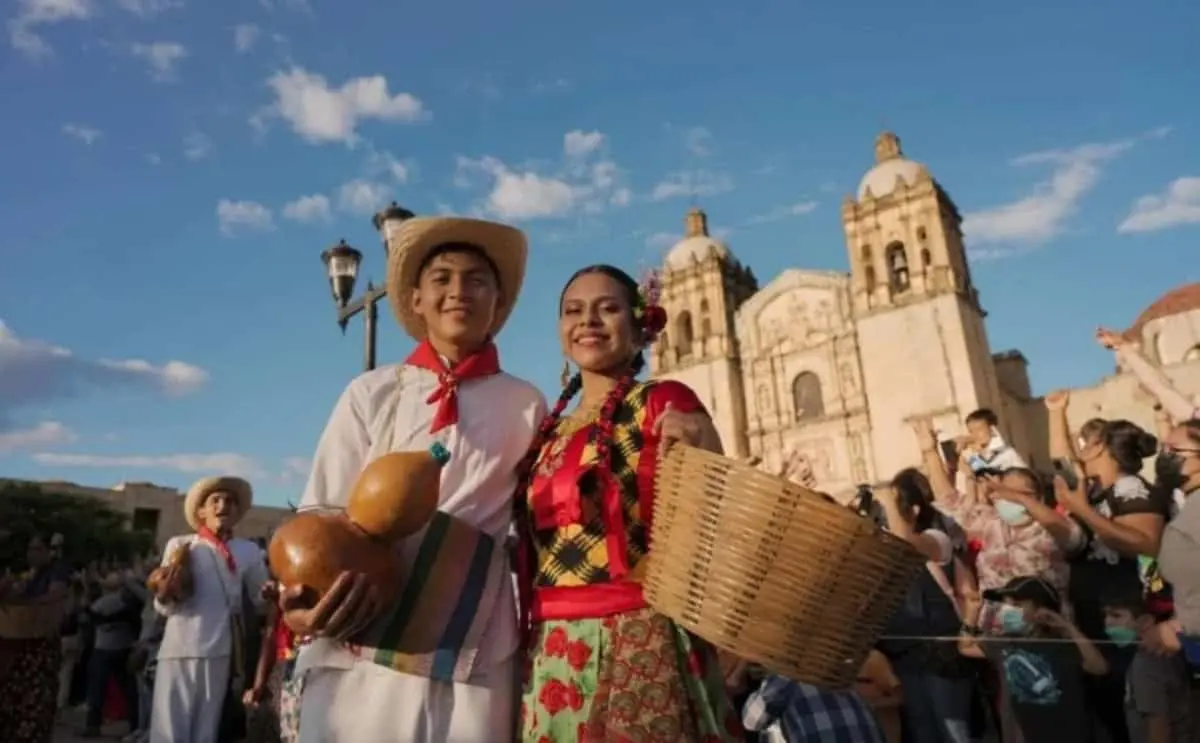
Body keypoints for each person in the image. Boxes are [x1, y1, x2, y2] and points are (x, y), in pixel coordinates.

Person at [287, 216, 547, 742]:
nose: (459, 291)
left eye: (477, 280)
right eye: (442, 278)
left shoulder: (527, 402)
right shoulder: (372, 391)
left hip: (474, 637)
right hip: (364, 626)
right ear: (416, 298)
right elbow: (322, 511)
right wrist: (301, 602)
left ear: (497, 304)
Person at [514, 264, 742, 741]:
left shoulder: (664, 401)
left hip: (639, 636)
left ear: (640, 326)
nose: (589, 321)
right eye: (574, 311)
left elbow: (717, 503)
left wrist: (697, 448)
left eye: (608, 308)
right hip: (551, 647)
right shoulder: (547, 432)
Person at [1055, 418, 1169, 743]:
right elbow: (1062, 460)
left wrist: (1084, 512)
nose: (1078, 450)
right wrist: (1056, 412)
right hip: (1095, 624)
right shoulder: (1092, 491)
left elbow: (1145, 543)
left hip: (1128, 627)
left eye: (1084, 442)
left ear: (1100, 446)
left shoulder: (1132, 489)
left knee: (1142, 716)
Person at [149, 476, 270, 743]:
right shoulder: (181, 545)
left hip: (220, 651)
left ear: (238, 513)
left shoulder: (249, 551)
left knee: (206, 730)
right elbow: (163, 606)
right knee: (169, 729)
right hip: (179, 648)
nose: (223, 505)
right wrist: (164, 595)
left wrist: (275, 592)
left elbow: (262, 599)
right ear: (201, 511)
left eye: (230, 501)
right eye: (215, 500)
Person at [875, 471, 979, 743]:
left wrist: (887, 499)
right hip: (905, 658)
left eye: (893, 509)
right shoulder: (883, 549)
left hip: (940, 657)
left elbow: (907, 545)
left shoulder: (936, 539)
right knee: (923, 733)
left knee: (954, 733)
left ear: (914, 510)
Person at [958, 576, 1106, 743]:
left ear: (1042, 610)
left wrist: (1068, 628)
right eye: (1006, 604)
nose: (1007, 610)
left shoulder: (1063, 645)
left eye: (1017, 605)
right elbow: (966, 647)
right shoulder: (1005, 642)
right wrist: (971, 614)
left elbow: (1099, 667)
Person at [0, 534, 73, 743]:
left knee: (34, 710)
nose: (32, 554)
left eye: (37, 549)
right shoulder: (30, 576)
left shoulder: (57, 571)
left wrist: (25, 603)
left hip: (40, 650)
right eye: (30, 549)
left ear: (49, 551)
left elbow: (55, 596)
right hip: (18, 651)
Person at [1102, 589, 1194, 743]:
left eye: (1116, 615)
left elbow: (1158, 726)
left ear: (1146, 621)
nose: (1107, 622)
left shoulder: (1146, 663)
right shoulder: (1167, 654)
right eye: (1105, 615)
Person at [83, 571, 142, 737]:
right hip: (123, 648)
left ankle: (92, 725)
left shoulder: (99, 604)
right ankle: (135, 724)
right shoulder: (128, 604)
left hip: (102, 649)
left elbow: (90, 617)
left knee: (96, 690)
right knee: (129, 690)